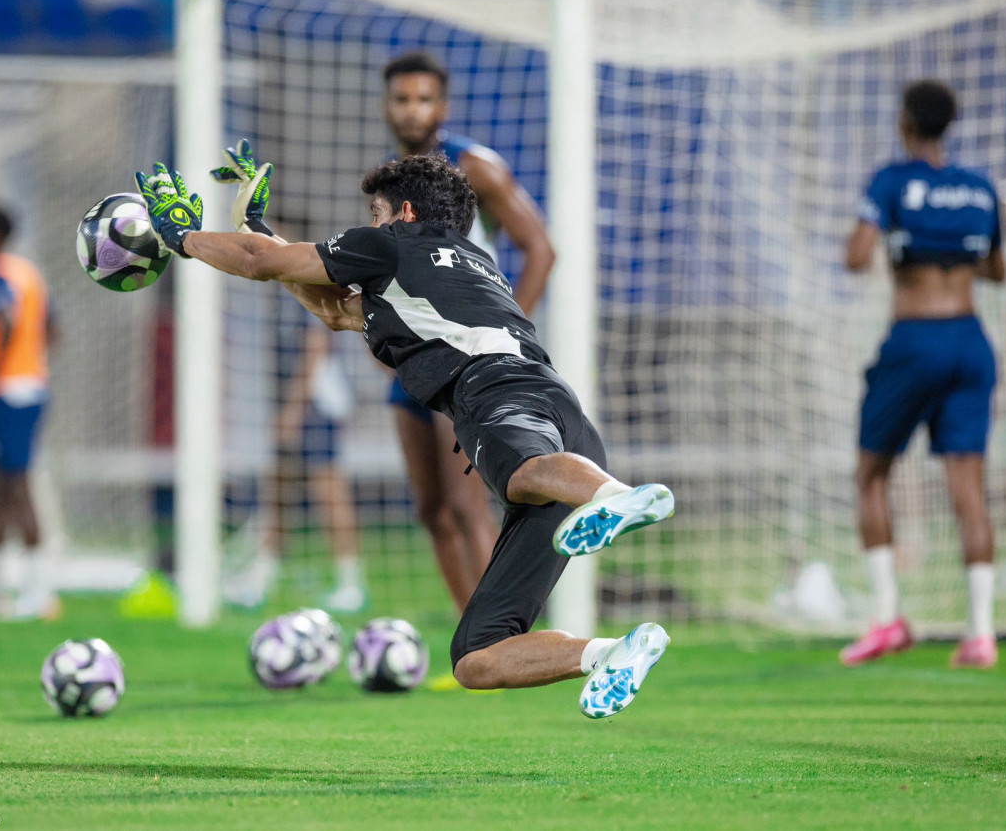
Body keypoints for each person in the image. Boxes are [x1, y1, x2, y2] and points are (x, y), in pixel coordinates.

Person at [135, 148, 675, 717]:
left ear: (404, 213)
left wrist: (186, 238)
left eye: (375, 212)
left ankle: (620, 498)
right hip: (557, 419)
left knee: (518, 477)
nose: (369, 225)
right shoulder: (465, 261)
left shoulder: (391, 245)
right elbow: (332, 309)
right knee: (476, 657)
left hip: (501, 395)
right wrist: (262, 230)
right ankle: (615, 651)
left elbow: (253, 261)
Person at [380, 52, 556, 613]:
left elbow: (542, 250)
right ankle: (470, 643)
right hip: (413, 358)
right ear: (387, 107)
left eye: (424, 99)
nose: (413, 111)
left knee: (466, 503)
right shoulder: (390, 179)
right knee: (431, 509)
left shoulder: (475, 167)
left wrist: (504, 331)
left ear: (444, 106)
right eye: (403, 99)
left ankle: (503, 637)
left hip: (464, 359)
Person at [842, 80, 1006, 668]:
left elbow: (857, 257)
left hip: (915, 340)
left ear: (905, 121)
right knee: (969, 489)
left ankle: (887, 617)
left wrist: (892, 239)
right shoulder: (982, 187)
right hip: (971, 339)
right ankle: (981, 633)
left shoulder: (892, 181)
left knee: (870, 474)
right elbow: (997, 268)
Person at [0, 207, 59, 619]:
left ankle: (36, 594)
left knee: (17, 487)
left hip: (10, 391)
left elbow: (4, 318)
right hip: (31, 386)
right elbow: (53, 328)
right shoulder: (30, 273)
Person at [268, 302, 365, 613]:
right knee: (280, 484)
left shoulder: (302, 282)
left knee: (329, 489)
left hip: (318, 400)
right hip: (301, 399)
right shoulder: (279, 294)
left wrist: (294, 411)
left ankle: (350, 583)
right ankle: (266, 570)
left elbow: (316, 348)